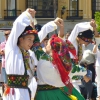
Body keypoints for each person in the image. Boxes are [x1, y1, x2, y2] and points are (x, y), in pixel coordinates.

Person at [31, 18, 85, 100]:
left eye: (48, 44)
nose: (46, 45)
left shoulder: (43, 58)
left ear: (52, 48)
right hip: (59, 94)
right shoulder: (66, 63)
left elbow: (35, 43)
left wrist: (33, 29)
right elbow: (83, 71)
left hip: (43, 96)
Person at [3, 8, 38, 100]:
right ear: (20, 39)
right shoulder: (12, 48)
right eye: (29, 39)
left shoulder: (27, 54)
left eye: (32, 40)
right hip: (13, 93)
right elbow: (17, 25)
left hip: (25, 91)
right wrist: (27, 15)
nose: (31, 43)